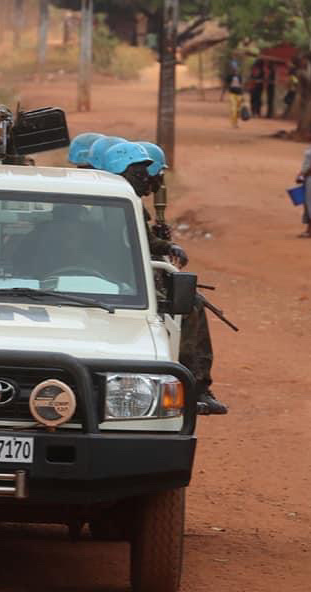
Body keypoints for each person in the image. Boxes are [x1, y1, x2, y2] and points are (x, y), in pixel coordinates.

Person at [99, 142, 227, 415]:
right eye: (139, 172)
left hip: (113, 280)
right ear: (121, 172)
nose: (147, 179)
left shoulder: (119, 201)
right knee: (189, 305)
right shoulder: (111, 205)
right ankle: (195, 386)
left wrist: (166, 247)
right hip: (113, 283)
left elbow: (142, 242)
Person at [226, 59, 244, 128]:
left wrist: (242, 95)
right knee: (233, 109)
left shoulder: (239, 76)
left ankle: (236, 122)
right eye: (233, 67)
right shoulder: (229, 76)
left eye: (235, 67)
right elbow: (227, 84)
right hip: (232, 94)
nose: (234, 69)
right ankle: (234, 123)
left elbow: (241, 85)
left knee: (238, 110)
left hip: (239, 94)